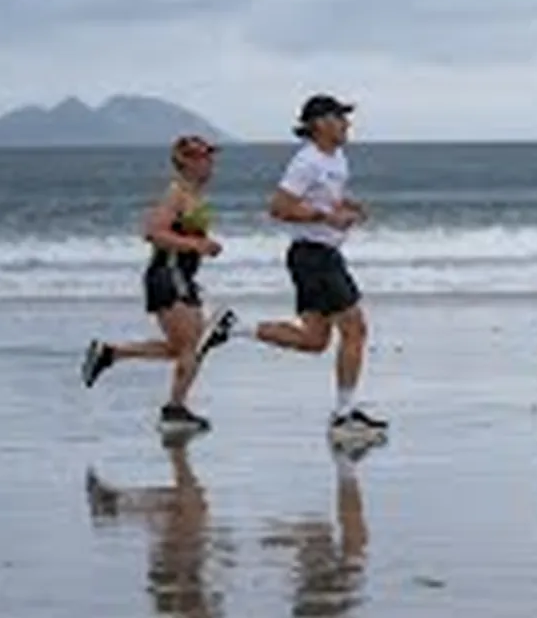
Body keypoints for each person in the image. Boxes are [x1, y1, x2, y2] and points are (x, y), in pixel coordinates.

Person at [230, 94, 387, 438]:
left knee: (315, 340)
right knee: (356, 330)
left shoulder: (337, 158)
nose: (347, 124)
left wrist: (349, 205)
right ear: (319, 124)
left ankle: (235, 328)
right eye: (339, 117)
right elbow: (279, 207)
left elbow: (325, 196)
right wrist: (327, 217)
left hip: (320, 255)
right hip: (314, 257)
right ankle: (343, 417)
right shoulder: (307, 162)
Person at [81, 135, 237, 434]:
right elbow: (153, 232)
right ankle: (174, 409)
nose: (210, 164)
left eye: (211, 157)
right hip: (168, 274)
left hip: (182, 275)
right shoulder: (175, 194)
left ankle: (110, 353)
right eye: (204, 158)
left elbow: (185, 234)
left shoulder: (193, 195)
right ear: (186, 162)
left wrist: (203, 245)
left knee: (183, 348)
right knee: (193, 346)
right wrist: (196, 245)